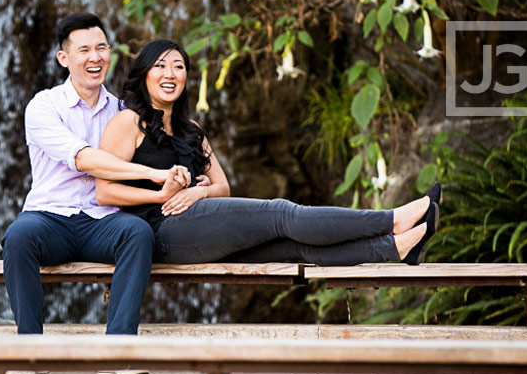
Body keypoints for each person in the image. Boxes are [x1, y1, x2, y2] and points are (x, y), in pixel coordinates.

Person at [95, 38, 440, 267]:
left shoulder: (192, 130)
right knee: (281, 214)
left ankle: (395, 248)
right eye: (160, 66)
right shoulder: (128, 122)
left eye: (178, 66)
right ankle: (392, 218)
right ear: (144, 75)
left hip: (203, 226)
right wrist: (163, 197)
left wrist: (197, 191)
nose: (170, 74)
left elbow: (222, 187)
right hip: (161, 234)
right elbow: (104, 191)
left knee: (295, 246)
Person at [2, 14, 192, 350]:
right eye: (84, 50)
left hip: (103, 222)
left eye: (102, 48)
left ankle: (119, 349)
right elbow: (84, 158)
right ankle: (28, 350)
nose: (95, 57)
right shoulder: (43, 106)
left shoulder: (123, 111)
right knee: (18, 237)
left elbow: (159, 151)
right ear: (64, 58)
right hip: (49, 218)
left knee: (137, 233)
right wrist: (152, 174)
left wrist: (188, 177)